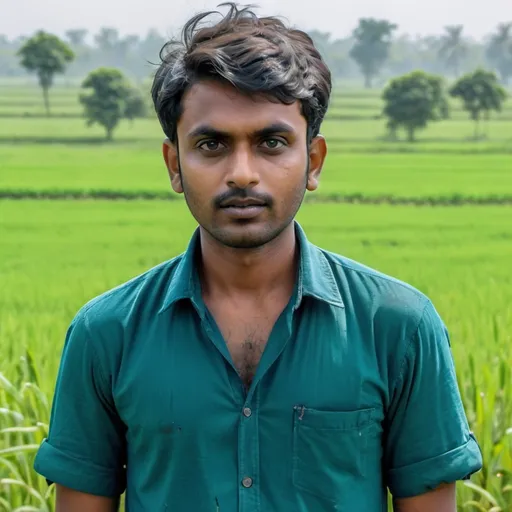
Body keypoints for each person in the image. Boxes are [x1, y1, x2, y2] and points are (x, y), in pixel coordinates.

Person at [34, 3, 483, 511]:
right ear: (174, 164)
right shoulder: (106, 334)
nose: (242, 173)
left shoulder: (398, 327)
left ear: (312, 162)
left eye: (271, 142)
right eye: (211, 144)